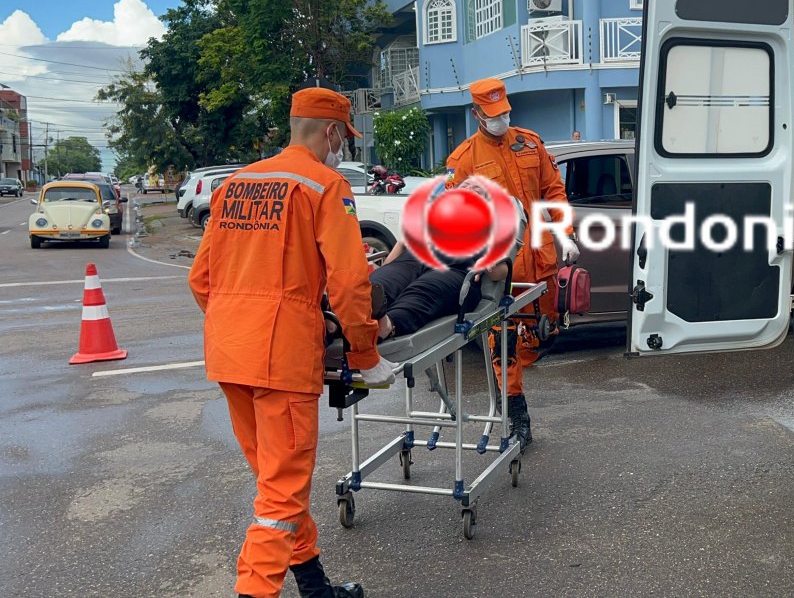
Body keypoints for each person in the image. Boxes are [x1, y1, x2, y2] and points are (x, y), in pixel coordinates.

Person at [188, 86, 394, 598]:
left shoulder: (237, 183)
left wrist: (236, 324)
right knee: (281, 498)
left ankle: (316, 587)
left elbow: (200, 278)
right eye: (342, 138)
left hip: (229, 350)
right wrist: (367, 357)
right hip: (280, 356)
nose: (340, 148)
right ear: (330, 132)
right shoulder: (325, 185)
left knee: (276, 483)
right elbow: (348, 283)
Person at [444, 77, 579, 450]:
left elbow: (553, 190)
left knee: (545, 333)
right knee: (504, 345)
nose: (501, 119)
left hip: (542, 262)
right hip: (503, 272)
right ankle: (518, 415)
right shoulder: (464, 161)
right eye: (492, 114)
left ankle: (516, 386)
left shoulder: (529, 144)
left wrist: (564, 232)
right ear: (476, 114)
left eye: (504, 112)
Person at [368, 175, 518, 341]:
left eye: (478, 190)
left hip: (456, 269)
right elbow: (391, 263)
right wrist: (402, 246)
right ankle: (346, 318)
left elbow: (500, 272)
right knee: (379, 283)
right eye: (465, 185)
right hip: (415, 259)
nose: (469, 189)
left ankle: (387, 326)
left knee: (424, 289)